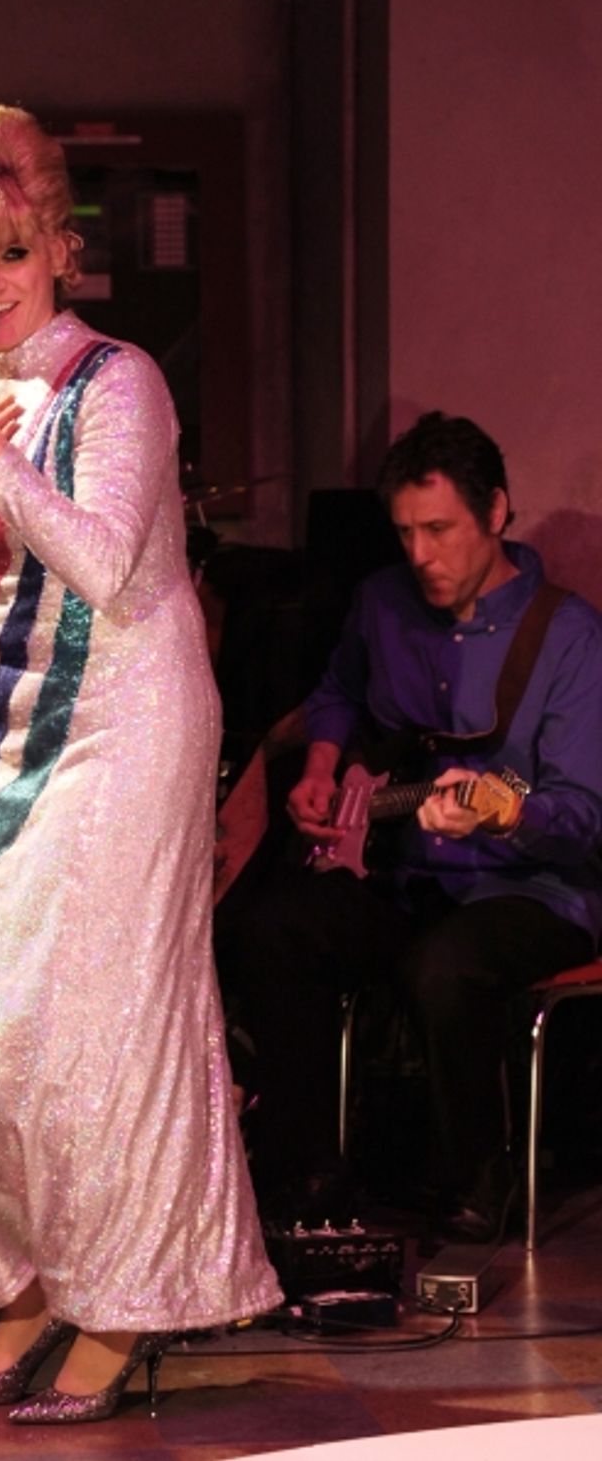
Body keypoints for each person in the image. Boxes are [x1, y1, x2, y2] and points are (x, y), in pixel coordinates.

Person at [0, 104, 280, 1426]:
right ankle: (28, 1285)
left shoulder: (121, 383)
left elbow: (105, 564)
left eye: (5, 256)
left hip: (132, 724)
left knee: (102, 1035)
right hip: (19, 730)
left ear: (56, 245)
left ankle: (117, 1311)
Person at [224, 411, 602, 1243]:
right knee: (271, 922)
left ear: (496, 512)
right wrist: (322, 764)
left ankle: (479, 1177)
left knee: (446, 962)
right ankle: (309, 1176)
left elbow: (583, 819)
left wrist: (507, 812)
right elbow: (338, 689)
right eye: (405, 533)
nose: (421, 555)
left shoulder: (569, 637)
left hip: (530, 888)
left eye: (440, 530)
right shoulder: (382, 603)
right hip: (406, 875)